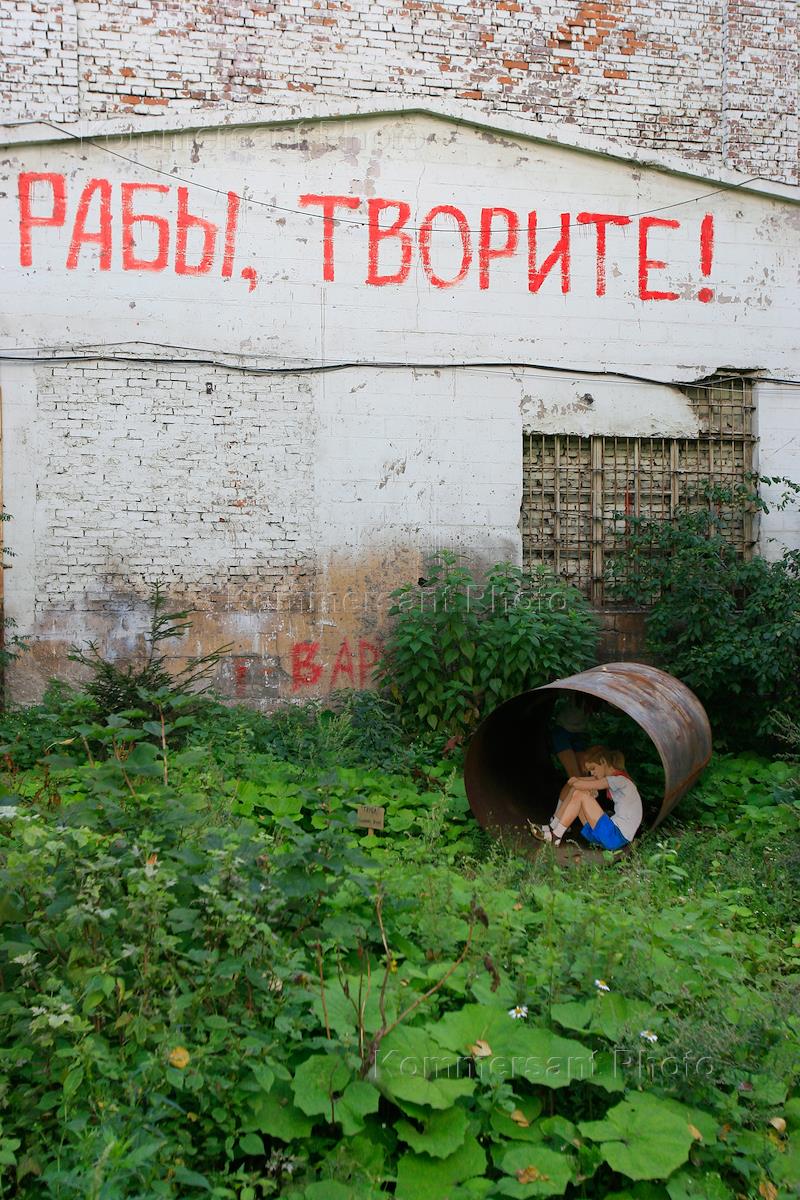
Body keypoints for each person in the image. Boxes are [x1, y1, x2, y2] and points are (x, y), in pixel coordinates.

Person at [529, 744, 643, 850]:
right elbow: (583, 782)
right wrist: (579, 783)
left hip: (614, 836)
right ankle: (554, 827)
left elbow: (582, 784)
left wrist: (578, 782)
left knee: (580, 793)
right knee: (578, 792)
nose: (592, 773)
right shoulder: (617, 779)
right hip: (609, 836)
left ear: (603, 761)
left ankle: (555, 835)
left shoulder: (620, 780)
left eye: (593, 768)